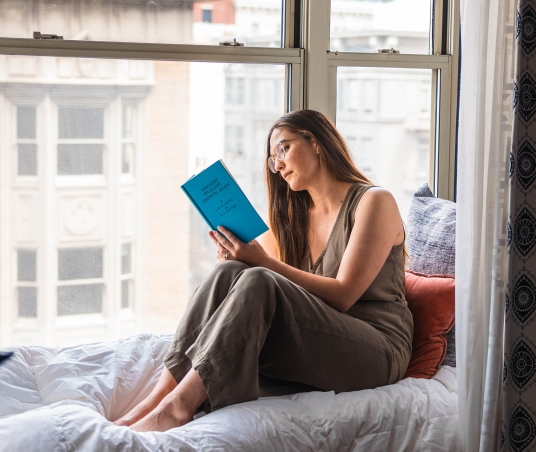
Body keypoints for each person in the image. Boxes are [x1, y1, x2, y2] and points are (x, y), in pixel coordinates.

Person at [115, 110, 413, 432]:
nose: (278, 164)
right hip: (320, 338)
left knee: (258, 276)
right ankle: (160, 396)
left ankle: (178, 409)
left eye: (283, 149)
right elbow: (246, 289)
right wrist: (235, 256)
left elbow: (343, 295)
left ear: (315, 142)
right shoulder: (292, 218)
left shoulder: (374, 201)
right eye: (273, 159)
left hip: (376, 347)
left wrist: (261, 262)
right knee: (230, 271)